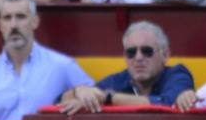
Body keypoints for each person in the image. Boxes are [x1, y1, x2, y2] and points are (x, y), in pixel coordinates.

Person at [0, 0, 91, 120]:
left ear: (35, 21)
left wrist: (81, 96)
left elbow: (95, 98)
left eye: (20, 17)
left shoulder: (62, 66)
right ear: (0, 25)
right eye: (7, 18)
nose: (13, 25)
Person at [59, 21, 193, 113]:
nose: (138, 58)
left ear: (165, 55)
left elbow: (167, 104)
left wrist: (109, 99)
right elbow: (58, 103)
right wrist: (78, 91)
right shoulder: (118, 80)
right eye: (131, 52)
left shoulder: (178, 75)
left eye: (147, 51)